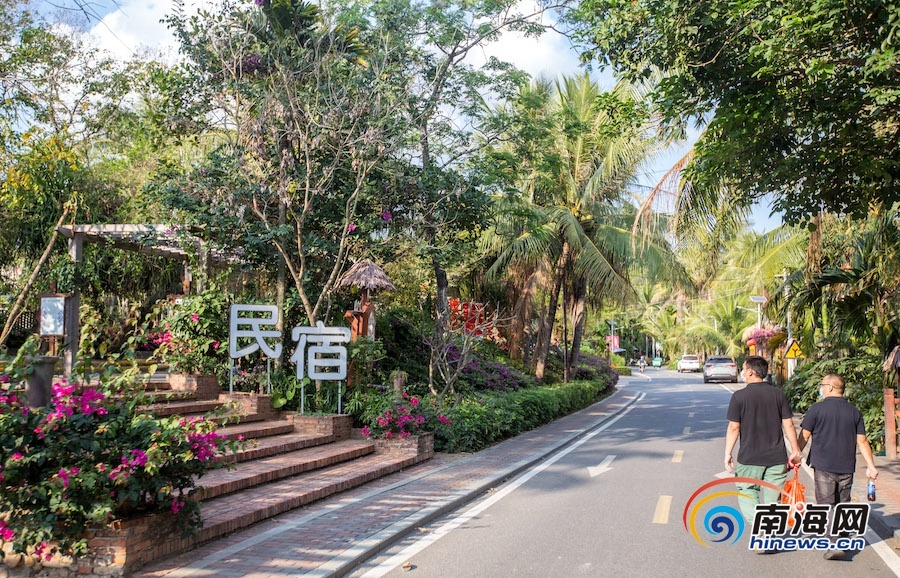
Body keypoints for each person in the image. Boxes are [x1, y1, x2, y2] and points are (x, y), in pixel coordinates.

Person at [798, 373, 878, 561]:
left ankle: (834, 544)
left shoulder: (816, 409)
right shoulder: (854, 411)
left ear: (831, 388)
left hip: (824, 466)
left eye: (823, 384)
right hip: (846, 467)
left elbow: (804, 435)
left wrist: (795, 454)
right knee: (843, 504)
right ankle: (842, 538)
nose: (821, 387)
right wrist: (871, 466)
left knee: (826, 505)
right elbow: (863, 441)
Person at [724, 356, 802, 531]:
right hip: (776, 458)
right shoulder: (778, 394)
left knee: (747, 492)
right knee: (773, 499)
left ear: (751, 372)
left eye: (743, 369)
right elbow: (788, 424)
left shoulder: (739, 397)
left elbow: (734, 428)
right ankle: (769, 534)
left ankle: (758, 530)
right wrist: (795, 451)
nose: (742, 372)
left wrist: (728, 453)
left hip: (749, 458)